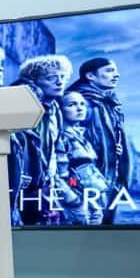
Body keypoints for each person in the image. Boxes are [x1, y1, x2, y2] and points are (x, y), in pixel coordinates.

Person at [65, 56, 129, 224]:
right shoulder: (81, 102)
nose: (116, 75)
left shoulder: (107, 103)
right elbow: (69, 137)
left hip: (107, 177)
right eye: (109, 71)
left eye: (115, 71)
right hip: (87, 180)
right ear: (90, 76)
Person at [9, 54, 72, 225]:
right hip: (20, 184)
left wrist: (56, 178)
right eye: (52, 78)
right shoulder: (19, 104)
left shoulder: (55, 109)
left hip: (44, 183)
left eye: (63, 77)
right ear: (33, 80)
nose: (60, 82)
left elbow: (56, 148)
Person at [54, 91, 110, 225]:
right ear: (60, 110)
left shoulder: (81, 136)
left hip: (92, 200)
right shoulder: (60, 137)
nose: (79, 108)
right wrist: (74, 199)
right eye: (72, 105)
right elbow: (60, 175)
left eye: (82, 104)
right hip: (77, 203)